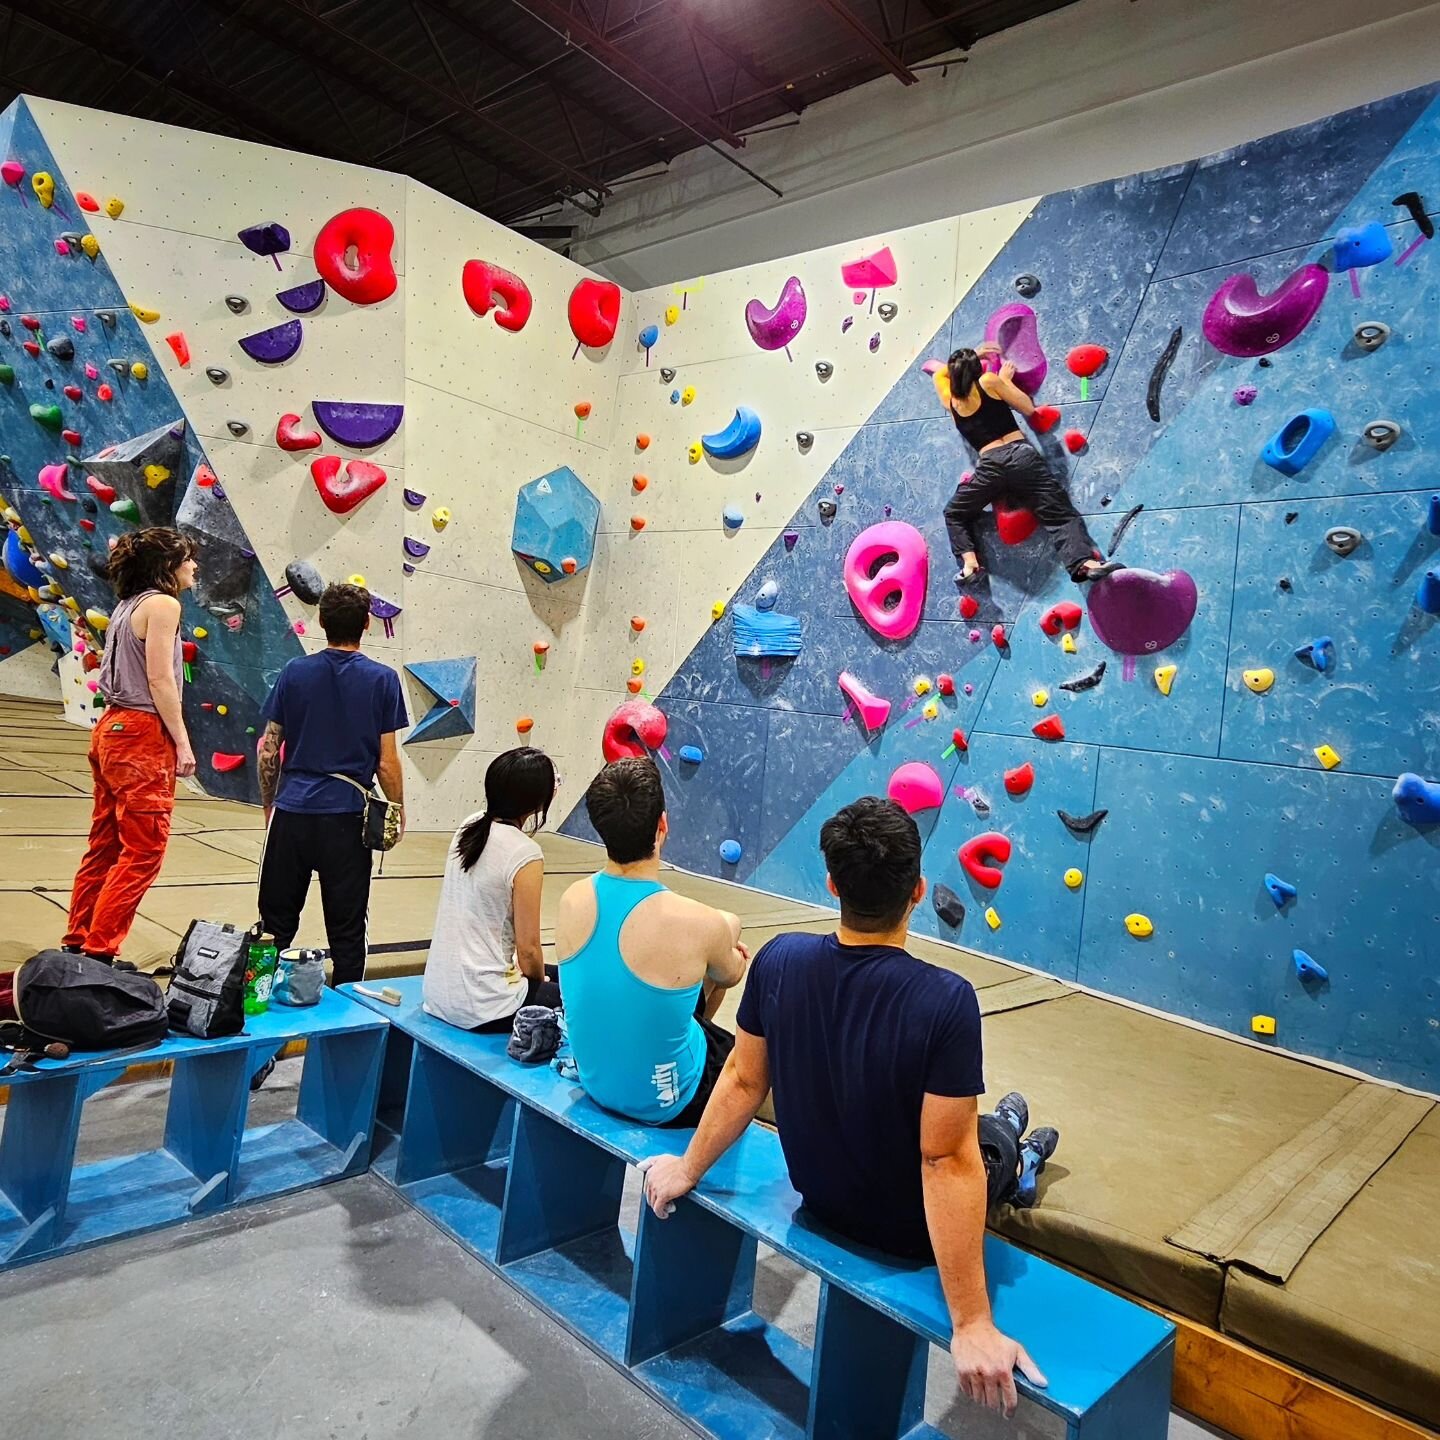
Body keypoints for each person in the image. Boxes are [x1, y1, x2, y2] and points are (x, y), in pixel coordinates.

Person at [640, 796, 1060, 1420]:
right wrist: (972, 1321)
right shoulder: (945, 1001)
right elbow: (946, 1162)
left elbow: (740, 1081)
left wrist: (687, 1167)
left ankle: (1009, 1135)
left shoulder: (779, 959)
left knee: (965, 1132)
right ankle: (1017, 1149)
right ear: (918, 891)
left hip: (822, 1199)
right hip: (904, 1228)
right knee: (985, 1145)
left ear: (833, 883)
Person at [554, 757, 748, 1127]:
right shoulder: (696, 921)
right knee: (747, 1062)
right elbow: (731, 974)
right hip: (668, 1102)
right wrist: (729, 929)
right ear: (662, 825)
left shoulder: (572, 898)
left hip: (597, 1084)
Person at [256, 582, 407, 990]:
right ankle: (348, 1016)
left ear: (321, 621)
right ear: (368, 624)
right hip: (346, 819)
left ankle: (257, 1012)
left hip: (293, 813)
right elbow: (387, 762)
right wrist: (397, 809)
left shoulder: (294, 672)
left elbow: (268, 751)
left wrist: (271, 804)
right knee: (347, 929)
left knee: (274, 925)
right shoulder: (383, 680)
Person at [64, 527, 199, 966]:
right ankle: (100, 951)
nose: (194, 567)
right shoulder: (163, 604)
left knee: (105, 841)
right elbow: (160, 679)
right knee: (143, 849)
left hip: (111, 728)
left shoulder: (127, 606)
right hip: (141, 734)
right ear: (168, 568)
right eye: (187, 560)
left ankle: (79, 937)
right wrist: (182, 742)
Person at [936, 343, 1121, 587]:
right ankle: (1084, 563)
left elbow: (939, 375)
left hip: (990, 467)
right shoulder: (989, 381)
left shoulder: (952, 403)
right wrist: (1005, 380)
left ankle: (970, 564)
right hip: (1021, 457)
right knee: (1059, 515)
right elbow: (1027, 407)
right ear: (976, 370)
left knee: (955, 513)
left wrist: (971, 358)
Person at [423, 748, 562, 1033]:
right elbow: (529, 951)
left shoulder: (469, 825)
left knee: (565, 977)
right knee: (580, 994)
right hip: (484, 1006)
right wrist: (538, 982)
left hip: (437, 994)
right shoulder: (525, 853)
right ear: (537, 799)